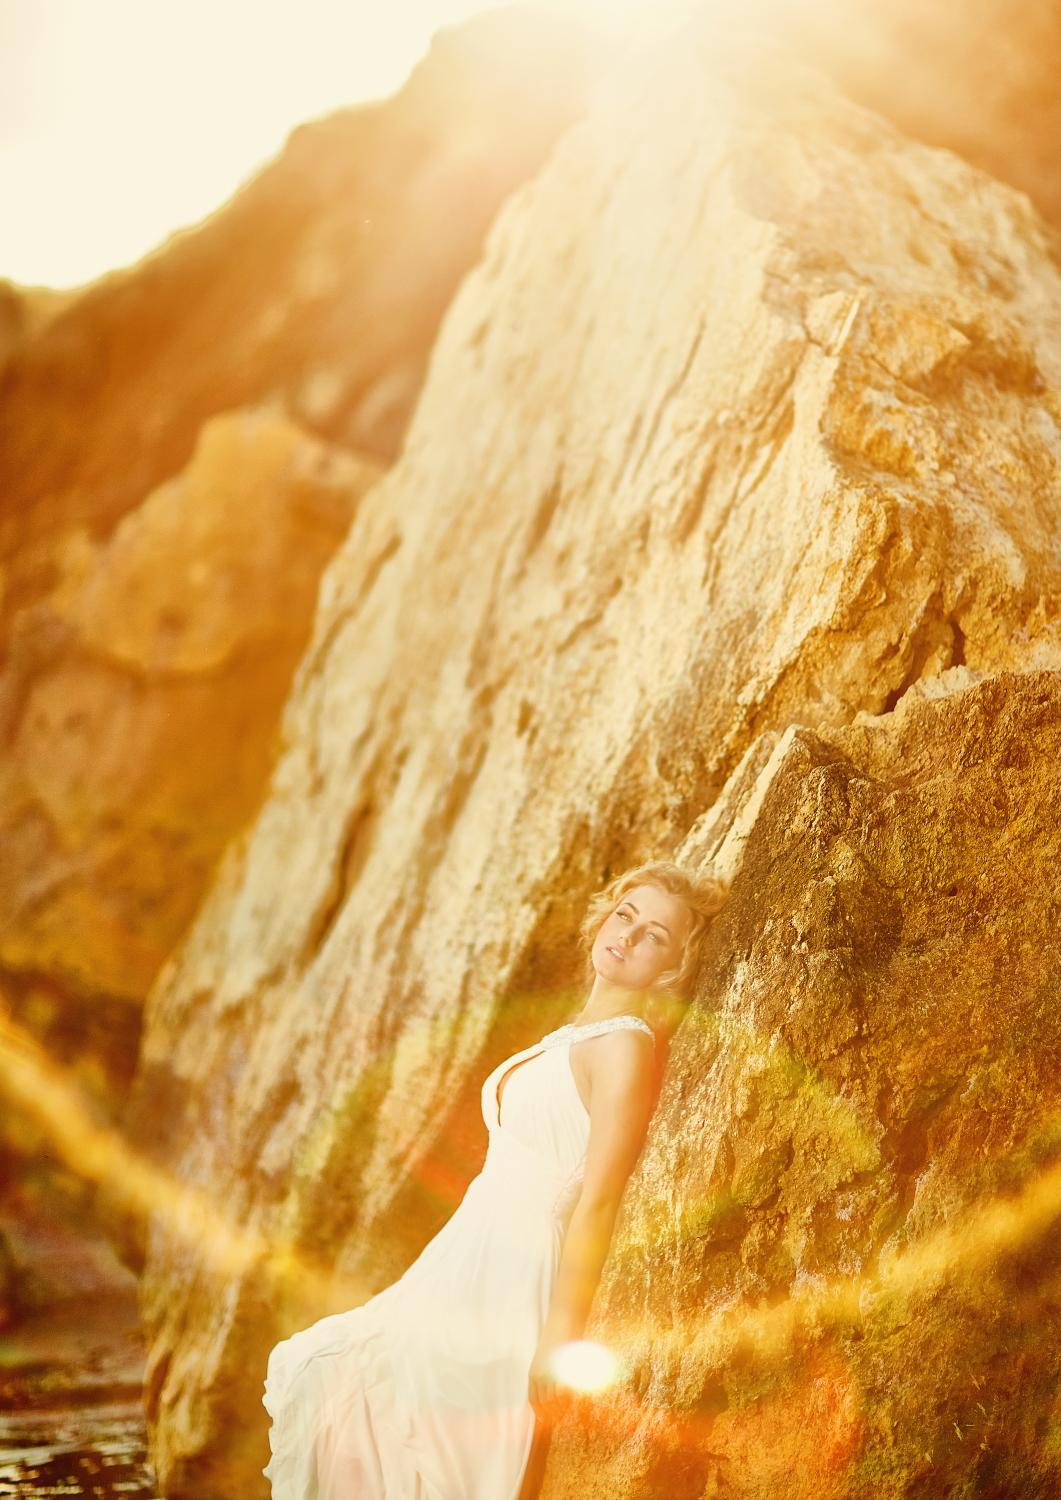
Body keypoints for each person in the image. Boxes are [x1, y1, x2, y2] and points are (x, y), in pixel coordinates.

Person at [262, 858, 729, 1498]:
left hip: (510, 1276)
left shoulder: (624, 1045)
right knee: (344, 1390)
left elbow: (599, 1200)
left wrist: (559, 1338)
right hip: (458, 1259)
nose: (627, 935)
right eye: (625, 915)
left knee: (422, 1445)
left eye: (654, 935)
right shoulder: (573, 1034)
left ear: (673, 966)